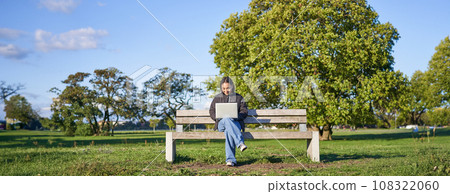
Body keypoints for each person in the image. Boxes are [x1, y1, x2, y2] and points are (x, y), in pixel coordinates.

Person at [209, 76, 248, 166]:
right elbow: (211, 111)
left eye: (228, 88)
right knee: (226, 119)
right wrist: (217, 117)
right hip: (221, 123)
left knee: (228, 131)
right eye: (224, 88)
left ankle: (230, 160)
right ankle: (240, 143)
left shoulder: (239, 97)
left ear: (232, 87)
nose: (226, 90)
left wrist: (235, 117)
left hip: (235, 123)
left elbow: (244, 112)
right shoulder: (217, 98)